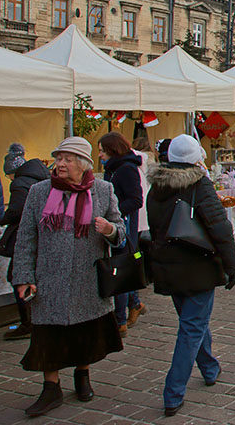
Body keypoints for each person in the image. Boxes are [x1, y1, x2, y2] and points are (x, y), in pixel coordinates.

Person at [11, 136, 125, 417]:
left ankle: (82, 376)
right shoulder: (39, 192)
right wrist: (24, 276)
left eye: (67, 159)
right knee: (48, 334)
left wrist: (109, 230)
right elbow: (25, 237)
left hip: (87, 278)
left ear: (83, 164)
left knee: (85, 332)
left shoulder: (102, 190)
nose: (60, 164)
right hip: (49, 279)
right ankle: (51, 388)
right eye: (59, 158)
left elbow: (120, 231)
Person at [145, 134, 235, 418]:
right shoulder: (198, 185)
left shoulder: (156, 187)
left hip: (170, 266)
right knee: (191, 327)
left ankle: (210, 368)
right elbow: (219, 227)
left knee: (193, 322)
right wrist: (232, 264)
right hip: (197, 266)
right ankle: (173, 392)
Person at [0, 144, 51, 342]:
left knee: (18, 275)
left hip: (28, 233)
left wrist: (1, 219)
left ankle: (28, 322)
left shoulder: (20, 183)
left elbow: (17, 209)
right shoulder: (40, 177)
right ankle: (36, 319)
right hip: (43, 231)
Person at [98, 132, 146, 337]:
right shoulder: (114, 168)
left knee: (119, 271)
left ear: (111, 150)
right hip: (116, 226)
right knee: (123, 269)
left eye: (101, 151)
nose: (99, 155)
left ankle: (120, 320)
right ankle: (134, 303)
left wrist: (113, 215)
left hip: (123, 227)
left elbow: (136, 200)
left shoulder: (126, 169)